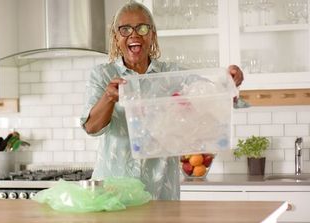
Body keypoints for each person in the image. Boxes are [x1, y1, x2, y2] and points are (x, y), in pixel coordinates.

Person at [79, 1, 244, 200]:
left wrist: (229, 81)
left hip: (160, 192)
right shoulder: (103, 74)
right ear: (116, 37)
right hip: (114, 193)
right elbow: (91, 127)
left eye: (142, 28)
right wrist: (109, 98)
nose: (134, 35)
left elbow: (210, 94)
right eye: (125, 29)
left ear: (152, 34)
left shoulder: (172, 74)